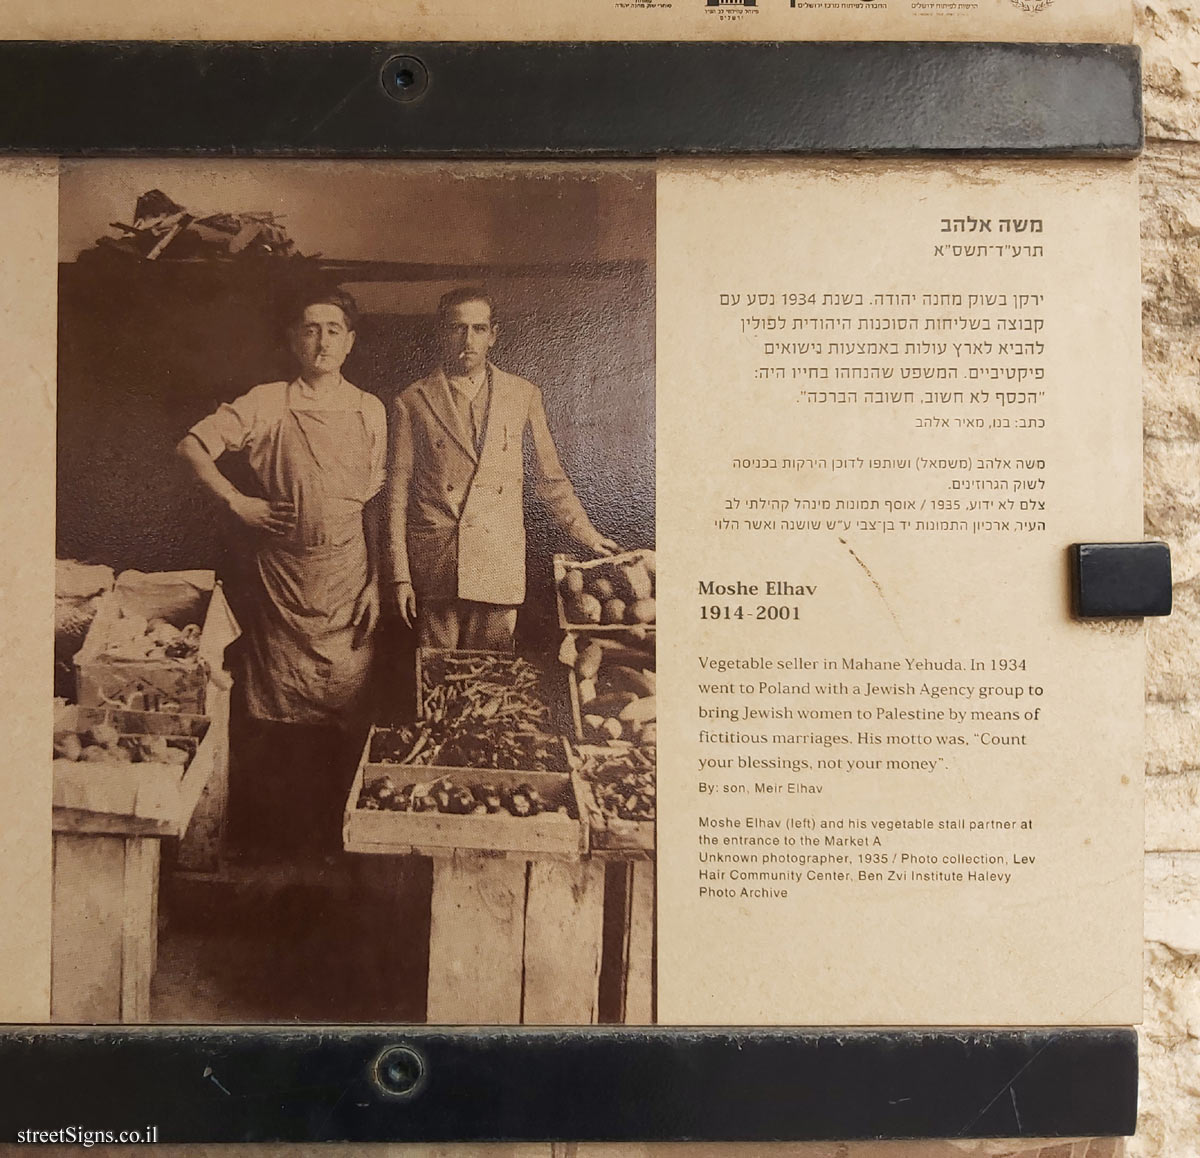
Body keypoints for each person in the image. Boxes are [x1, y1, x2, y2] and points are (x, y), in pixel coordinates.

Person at [176, 287, 386, 852]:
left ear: (351, 341)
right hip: (281, 579)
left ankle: (332, 842)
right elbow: (193, 445)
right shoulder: (266, 401)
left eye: (333, 330)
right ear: (294, 339)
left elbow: (372, 505)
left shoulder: (370, 409)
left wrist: (376, 583)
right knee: (275, 709)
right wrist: (237, 501)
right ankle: (276, 841)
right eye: (310, 329)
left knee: (345, 705)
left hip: (348, 579)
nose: (321, 341)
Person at [387, 287, 619, 650]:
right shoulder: (412, 401)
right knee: (437, 680)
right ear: (440, 333)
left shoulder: (522, 394)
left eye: (479, 329)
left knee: (494, 680)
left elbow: (550, 479)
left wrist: (588, 535)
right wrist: (401, 576)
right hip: (436, 560)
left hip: (497, 556)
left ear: (493, 335)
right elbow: (397, 495)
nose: (468, 340)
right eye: (456, 328)